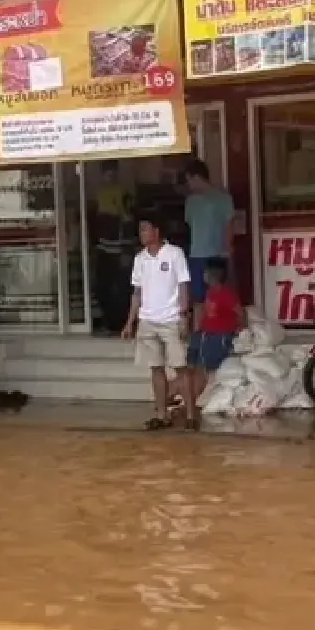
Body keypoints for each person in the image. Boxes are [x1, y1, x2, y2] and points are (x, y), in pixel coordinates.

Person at [122, 215, 191, 430]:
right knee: (156, 369)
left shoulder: (174, 254)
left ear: (157, 231)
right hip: (147, 320)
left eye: (145, 229)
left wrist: (184, 315)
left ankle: (190, 415)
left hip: (171, 319)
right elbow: (137, 292)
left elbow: (183, 286)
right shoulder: (140, 258)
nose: (142, 234)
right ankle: (162, 415)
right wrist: (130, 322)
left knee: (180, 368)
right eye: (140, 230)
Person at [186, 258, 241, 430]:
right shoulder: (210, 292)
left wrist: (240, 330)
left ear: (212, 274)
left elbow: (239, 311)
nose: (203, 275)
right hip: (204, 335)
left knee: (201, 371)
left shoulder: (226, 294)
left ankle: (190, 405)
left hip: (217, 337)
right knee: (191, 368)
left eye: (205, 272)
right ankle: (185, 401)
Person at [181, 158, 236, 317]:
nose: (189, 185)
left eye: (189, 180)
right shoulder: (190, 201)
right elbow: (190, 225)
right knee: (198, 298)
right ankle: (200, 333)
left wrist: (227, 248)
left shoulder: (222, 198)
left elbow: (229, 225)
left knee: (218, 295)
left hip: (217, 254)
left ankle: (219, 330)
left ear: (197, 177)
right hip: (196, 254)